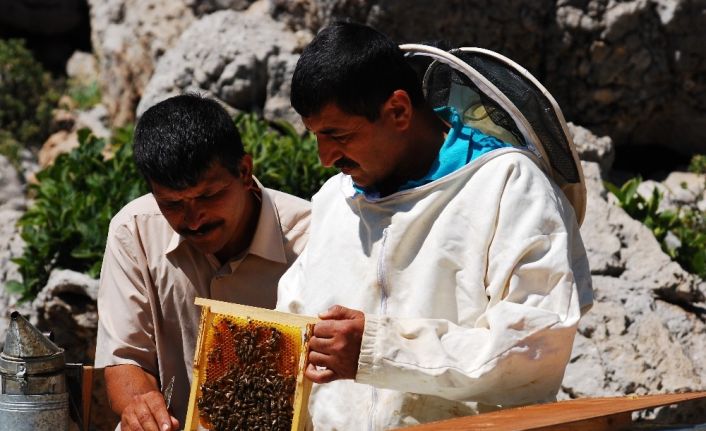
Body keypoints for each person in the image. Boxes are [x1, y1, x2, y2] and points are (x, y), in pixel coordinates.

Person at [277, 21, 593, 429]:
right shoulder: (333, 201)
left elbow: (533, 346)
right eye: (316, 137)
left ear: (398, 111)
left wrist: (378, 350)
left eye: (338, 134)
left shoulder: (508, 187)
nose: (324, 157)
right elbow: (290, 329)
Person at [95, 94, 311, 431]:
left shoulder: (313, 237)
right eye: (172, 204)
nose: (194, 219)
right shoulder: (133, 230)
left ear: (244, 172)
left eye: (208, 196)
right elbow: (123, 358)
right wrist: (141, 408)